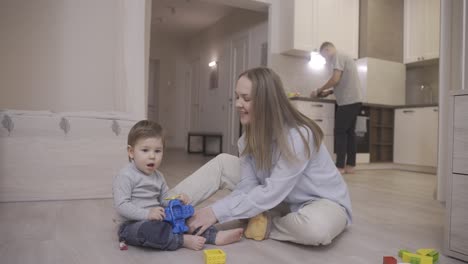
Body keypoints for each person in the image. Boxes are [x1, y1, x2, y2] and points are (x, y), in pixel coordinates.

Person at [167, 67, 352, 246]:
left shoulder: (299, 136)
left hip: (321, 202)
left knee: (315, 230)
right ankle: (164, 206)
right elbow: (248, 185)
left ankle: (266, 224)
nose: (238, 103)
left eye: (245, 98)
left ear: (267, 101)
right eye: (237, 96)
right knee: (224, 162)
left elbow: (272, 190)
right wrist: (217, 211)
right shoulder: (248, 136)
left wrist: (215, 212)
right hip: (281, 199)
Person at [112, 120, 243, 251]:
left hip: (157, 218)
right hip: (132, 225)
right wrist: (147, 214)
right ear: (131, 152)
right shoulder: (126, 175)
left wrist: (177, 199)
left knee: (187, 219)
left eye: (157, 151)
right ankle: (181, 240)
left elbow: (164, 200)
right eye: (145, 150)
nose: (152, 156)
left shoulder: (158, 176)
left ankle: (214, 236)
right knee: (150, 231)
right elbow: (122, 205)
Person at [310, 42, 362, 174]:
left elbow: (335, 79)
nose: (325, 59)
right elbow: (343, 82)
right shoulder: (345, 56)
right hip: (355, 100)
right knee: (350, 133)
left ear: (327, 50)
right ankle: (350, 165)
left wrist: (318, 90)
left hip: (347, 101)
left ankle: (339, 166)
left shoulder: (337, 56)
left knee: (340, 132)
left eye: (324, 56)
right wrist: (328, 92)